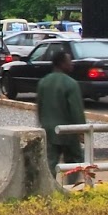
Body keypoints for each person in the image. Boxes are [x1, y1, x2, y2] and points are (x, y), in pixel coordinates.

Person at [36, 48, 86, 187]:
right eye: (69, 62)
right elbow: (76, 110)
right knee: (75, 161)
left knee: (50, 162)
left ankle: (48, 189)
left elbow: (39, 107)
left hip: (48, 129)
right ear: (61, 63)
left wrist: (42, 124)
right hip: (68, 131)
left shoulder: (43, 82)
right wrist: (81, 130)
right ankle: (69, 187)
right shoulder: (71, 84)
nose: (72, 64)